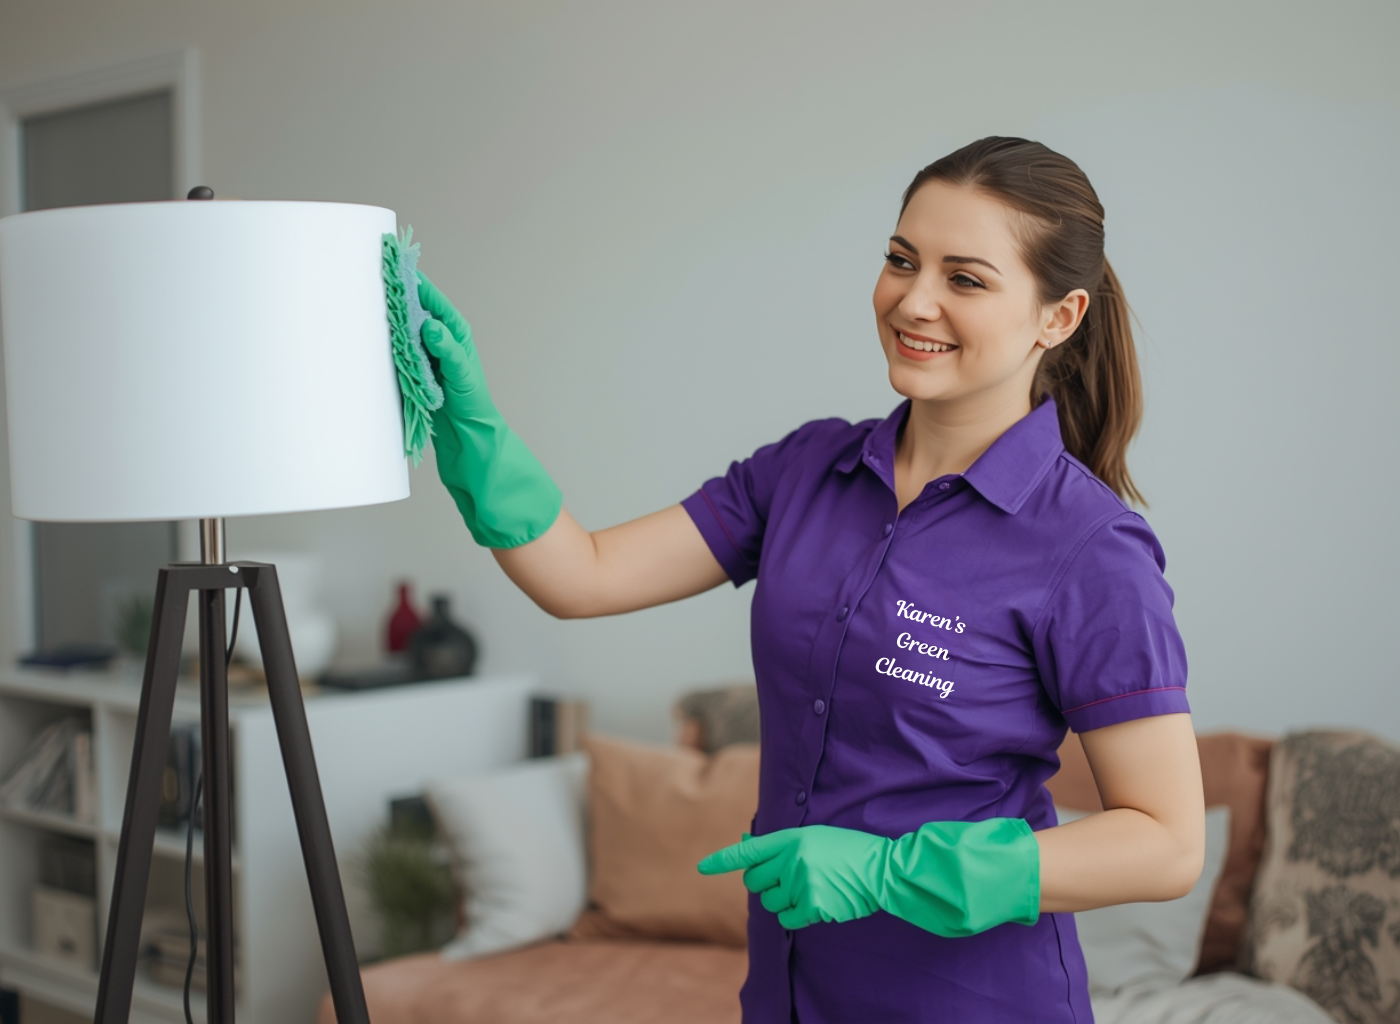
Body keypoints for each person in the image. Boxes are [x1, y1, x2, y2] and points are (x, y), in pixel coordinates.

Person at [414, 136, 1205, 1023]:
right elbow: (583, 575)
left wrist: (889, 871)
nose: (914, 300)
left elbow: (1166, 843)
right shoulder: (805, 471)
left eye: (966, 279)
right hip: (788, 995)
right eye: (902, 260)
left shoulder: (1091, 546)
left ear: (1058, 318)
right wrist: (472, 429)